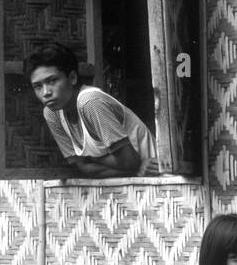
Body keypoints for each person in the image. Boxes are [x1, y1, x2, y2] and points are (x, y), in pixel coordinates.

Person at [25, 42, 158, 178]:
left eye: (52, 81)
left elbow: (129, 161)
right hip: (134, 179)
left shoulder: (90, 102)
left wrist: (92, 159)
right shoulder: (51, 113)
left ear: (72, 78)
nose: (46, 92)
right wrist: (134, 171)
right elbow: (84, 168)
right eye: (38, 86)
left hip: (159, 177)